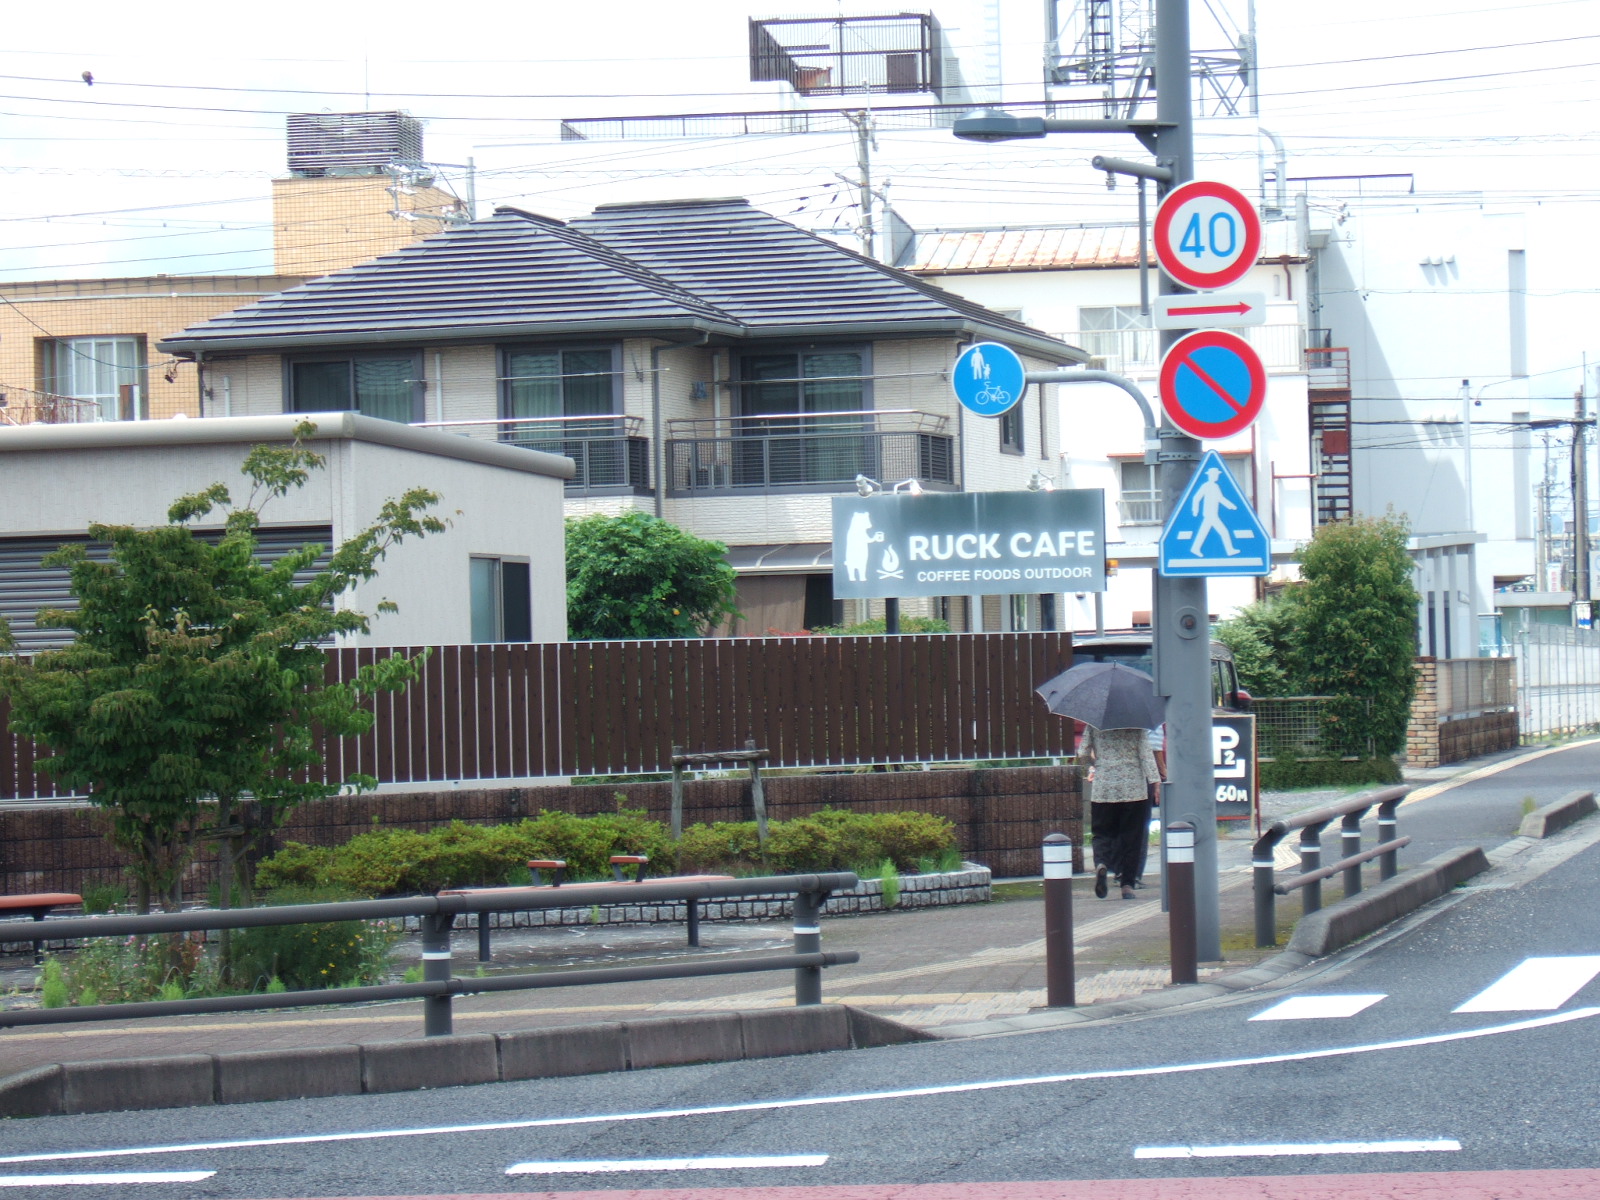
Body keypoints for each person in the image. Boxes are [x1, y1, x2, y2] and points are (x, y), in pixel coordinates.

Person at [1079, 724, 1160, 901]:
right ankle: (1127, 885)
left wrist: (1094, 766)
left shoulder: (1094, 724)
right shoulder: (1137, 725)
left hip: (1104, 789)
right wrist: (1155, 781)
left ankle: (1101, 863)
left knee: (1102, 833)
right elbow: (1146, 755)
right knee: (1132, 837)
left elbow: (1083, 752)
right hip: (1134, 790)